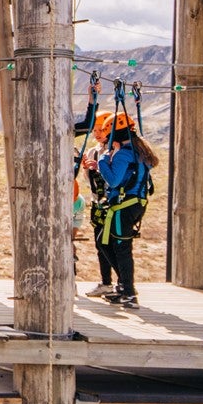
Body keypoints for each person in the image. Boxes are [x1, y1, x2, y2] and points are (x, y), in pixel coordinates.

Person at [91, 113, 159, 308]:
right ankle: (124, 287)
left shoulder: (123, 154)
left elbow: (114, 180)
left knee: (120, 249)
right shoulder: (139, 151)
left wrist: (103, 160)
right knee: (106, 243)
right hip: (135, 204)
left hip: (123, 206)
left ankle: (128, 291)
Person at [79, 112, 115, 296]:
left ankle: (121, 283)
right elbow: (89, 182)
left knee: (115, 245)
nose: (98, 134)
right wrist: (87, 169)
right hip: (97, 203)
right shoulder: (93, 151)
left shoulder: (114, 152)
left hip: (113, 204)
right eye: (95, 130)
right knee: (101, 244)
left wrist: (98, 168)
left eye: (101, 130)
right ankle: (106, 282)